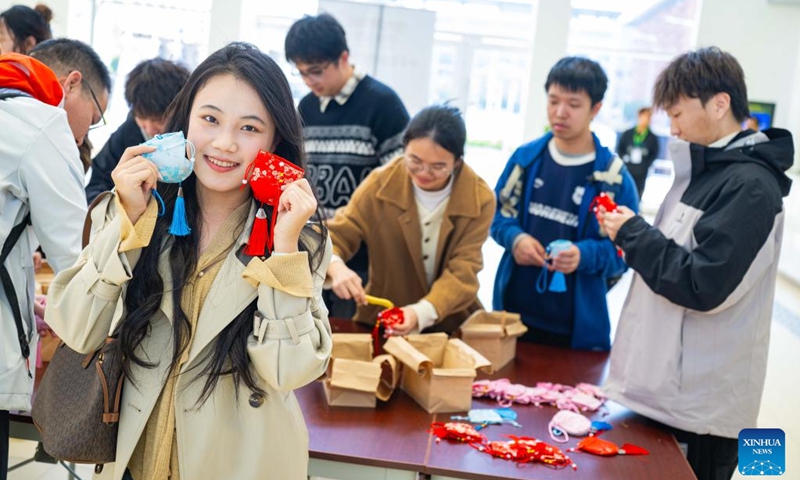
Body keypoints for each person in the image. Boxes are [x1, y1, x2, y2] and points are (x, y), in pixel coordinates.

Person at [46, 42, 331, 480]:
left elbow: (287, 370)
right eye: (210, 119)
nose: (224, 143)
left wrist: (285, 248)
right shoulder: (138, 206)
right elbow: (77, 328)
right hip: (137, 456)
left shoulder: (298, 233)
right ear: (184, 122)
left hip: (241, 462)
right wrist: (126, 225)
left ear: (276, 139)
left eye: (250, 128)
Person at [601, 47, 793, 480]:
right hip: (664, 394)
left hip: (701, 414)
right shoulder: (706, 172)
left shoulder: (751, 187)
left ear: (720, 103)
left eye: (678, 113)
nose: (673, 126)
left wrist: (632, 233)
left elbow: (701, 282)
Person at [1, 38, 110, 480]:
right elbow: (75, 262)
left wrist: (30, 306)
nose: (86, 133)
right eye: (96, 116)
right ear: (71, 84)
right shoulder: (42, 124)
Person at [491, 57, 638, 351]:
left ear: (595, 109)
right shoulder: (525, 160)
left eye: (573, 104)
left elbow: (627, 251)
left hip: (577, 333)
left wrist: (583, 256)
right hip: (512, 319)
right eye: (553, 100)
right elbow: (496, 217)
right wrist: (514, 238)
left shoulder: (613, 179)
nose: (560, 112)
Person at [325, 105, 494, 334]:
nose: (424, 173)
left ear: (457, 162)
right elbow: (338, 233)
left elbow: (464, 269)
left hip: (450, 323)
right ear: (403, 149)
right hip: (384, 317)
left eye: (438, 166)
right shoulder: (380, 184)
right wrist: (336, 266)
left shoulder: (479, 198)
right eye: (414, 160)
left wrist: (419, 313)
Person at [285, 13, 410, 318]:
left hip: (364, 258)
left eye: (315, 71)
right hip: (315, 248)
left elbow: (401, 185)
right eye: (301, 73)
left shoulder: (383, 104)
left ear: (343, 58)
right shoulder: (307, 108)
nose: (308, 81)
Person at [86, 58, 191, 202]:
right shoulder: (127, 133)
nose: (149, 129)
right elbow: (96, 187)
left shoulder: (190, 139)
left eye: (159, 120)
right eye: (142, 118)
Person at [616, 106, 660, 198]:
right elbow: (619, 149)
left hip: (641, 172)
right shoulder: (628, 134)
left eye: (649, 117)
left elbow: (654, 154)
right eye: (644, 116)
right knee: (623, 193)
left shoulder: (652, 138)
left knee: (637, 195)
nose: (646, 120)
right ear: (639, 116)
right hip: (627, 169)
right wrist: (624, 159)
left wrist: (645, 165)